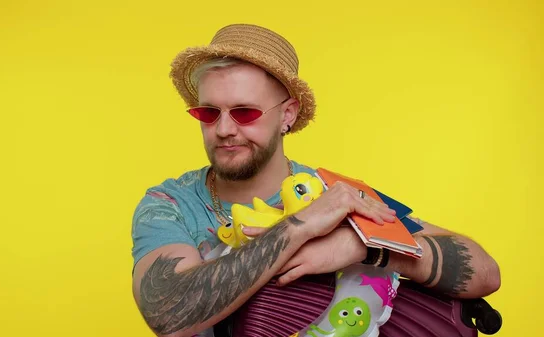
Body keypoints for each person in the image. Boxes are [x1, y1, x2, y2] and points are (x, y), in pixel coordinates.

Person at [130, 24, 501, 337]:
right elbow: (168, 312)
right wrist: (298, 227)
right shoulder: (170, 205)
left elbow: (485, 273)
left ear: (287, 114)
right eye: (208, 112)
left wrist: (364, 247)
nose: (224, 129)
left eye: (245, 112)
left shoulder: (334, 192)